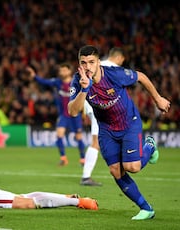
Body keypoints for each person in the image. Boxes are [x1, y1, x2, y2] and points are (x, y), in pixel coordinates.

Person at [68, 45, 171, 220]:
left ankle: (150, 146)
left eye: (91, 62)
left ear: (98, 62)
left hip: (129, 123)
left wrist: (158, 99)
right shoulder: (78, 81)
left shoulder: (114, 74)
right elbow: (72, 111)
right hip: (107, 129)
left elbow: (141, 77)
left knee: (132, 167)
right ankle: (146, 208)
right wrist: (84, 90)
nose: (87, 67)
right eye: (83, 63)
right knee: (116, 171)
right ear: (79, 64)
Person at [26, 63, 86, 166]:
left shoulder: (76, 82)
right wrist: (34, 76)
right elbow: (44, 82)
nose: (62, 72)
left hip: (75, 114)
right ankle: (63, 158)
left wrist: (85, 111)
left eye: (64, 70)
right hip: (63, 115)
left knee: (79, 137)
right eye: (60, 70)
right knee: (59, 135)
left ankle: (83, 159)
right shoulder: (57, 82)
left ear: (69, 71)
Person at [80, 100, 101, 186]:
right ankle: (86, 177)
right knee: (96, 143)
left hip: (95, 106)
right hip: (96, 107)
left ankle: (86, 176)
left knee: (96, 142)